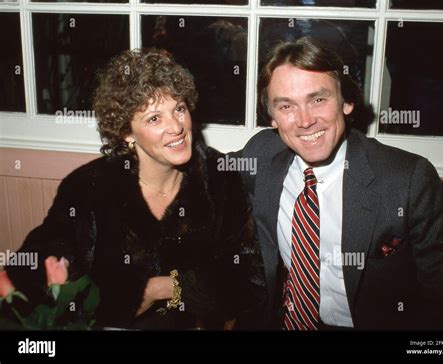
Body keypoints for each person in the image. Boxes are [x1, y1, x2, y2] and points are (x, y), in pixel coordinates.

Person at [4, 48, 266, 330]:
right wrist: (115, 302)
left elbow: (247, 280)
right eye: (154, 118)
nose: (176, 127)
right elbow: (36, 265)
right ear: (127, 133)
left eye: (179, 108)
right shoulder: (88, 187)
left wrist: (163, 288)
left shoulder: (219, 177)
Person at [236, 37, 443, 330]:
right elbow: (201, 175)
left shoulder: (408, 180)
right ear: (272, 117)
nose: (305, 120)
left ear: (347, 102)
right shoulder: (261, 156)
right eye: (286, 106)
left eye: (318, 99)